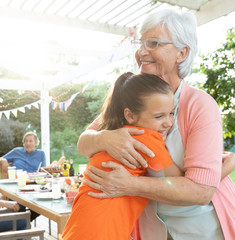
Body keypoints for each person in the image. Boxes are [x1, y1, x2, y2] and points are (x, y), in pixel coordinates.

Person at [77, 9, 235, 240]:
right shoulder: (132, 97)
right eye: (141, 43)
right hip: (153, 231)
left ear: (181, 53)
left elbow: (200, 191)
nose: (141, 51)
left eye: (154, 43)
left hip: (201, 230)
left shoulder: (200, 106)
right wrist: (103, 138)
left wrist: (129, 185)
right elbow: (83, 143)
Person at [62, 72, 183, 240]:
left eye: (171, 113)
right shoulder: (147, 137)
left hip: (78, 229)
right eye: (159, 116)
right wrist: (222, 169)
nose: (168, 122)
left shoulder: (111, 133)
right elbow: (179, 180)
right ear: (130, 115)